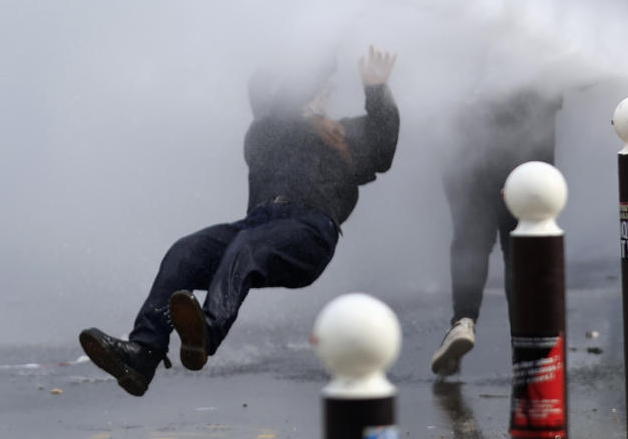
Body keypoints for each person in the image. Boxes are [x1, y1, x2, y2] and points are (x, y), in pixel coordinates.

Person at [80, 45, 400, 396]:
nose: (320, 95)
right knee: (184, 252)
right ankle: (143, 352)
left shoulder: (343, 134)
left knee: (248, 246)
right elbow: (283, 110)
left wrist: (375, 90)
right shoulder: (263, 134)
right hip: (258, 224)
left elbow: (383, 149)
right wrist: (322, 57)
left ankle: (206, 331)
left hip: (311, 231)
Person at [430, 0, 563, 376]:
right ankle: (527, 347)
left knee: (469, 231)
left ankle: (462, 320)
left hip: (468, 126)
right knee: (521, 235)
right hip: (529, 129)